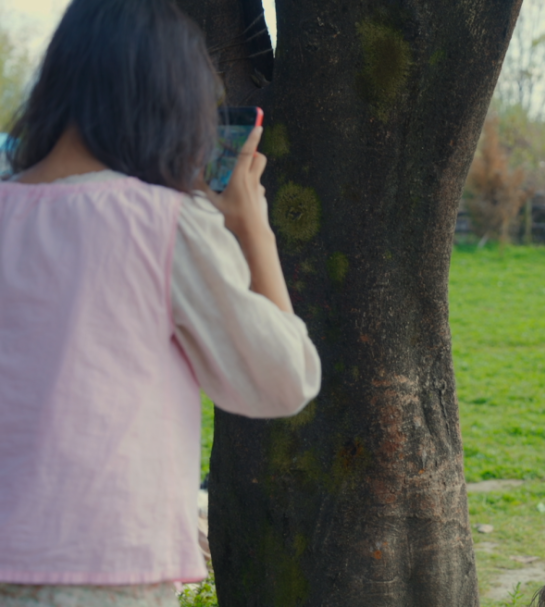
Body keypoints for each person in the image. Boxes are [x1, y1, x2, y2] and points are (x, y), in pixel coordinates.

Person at [0, 1, 321, 605]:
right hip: (104, 566)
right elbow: (285, 380)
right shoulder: (165, 222)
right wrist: (253, 226)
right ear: (171, 101)